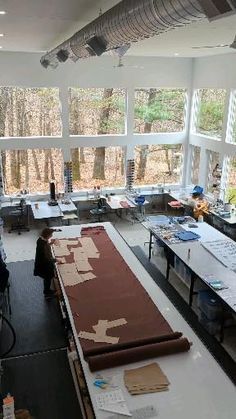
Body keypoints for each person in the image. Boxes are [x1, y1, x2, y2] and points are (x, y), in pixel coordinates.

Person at [34, 228, 58, 299]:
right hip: (44, 266)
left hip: (41, 263)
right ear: (47, 235)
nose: (51, 236)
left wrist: (51, 243)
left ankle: (47, 290)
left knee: (47, 279)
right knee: (47, 278)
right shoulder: (43, 246)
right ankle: (47, 293)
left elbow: (46, 245)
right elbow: (47, 259)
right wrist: (56, 260)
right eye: (51, 235)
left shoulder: (40, 240)